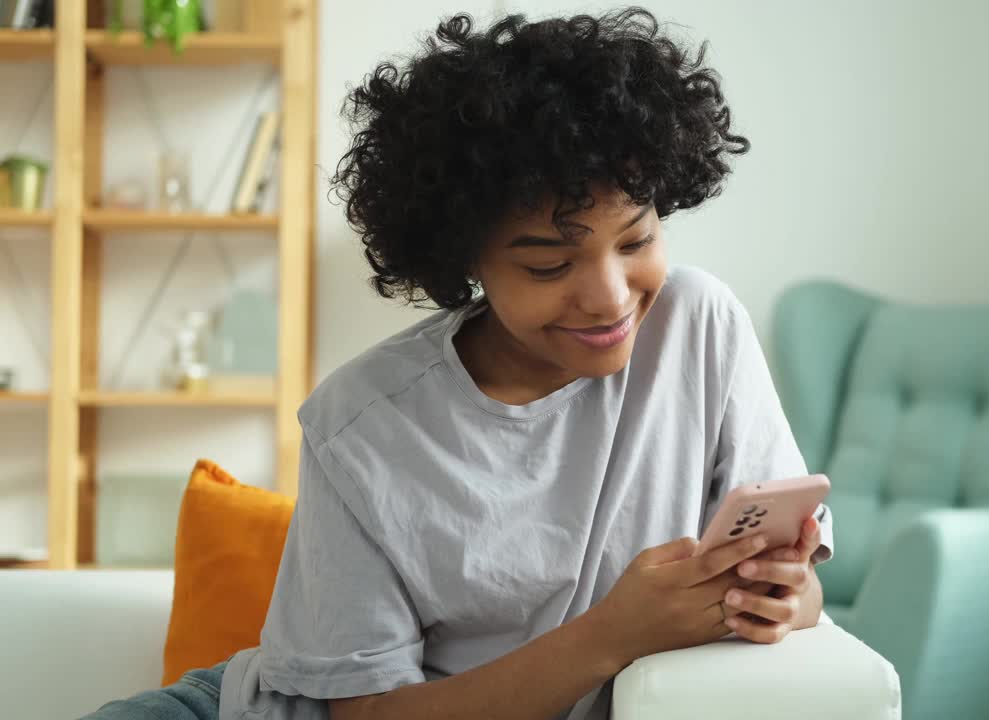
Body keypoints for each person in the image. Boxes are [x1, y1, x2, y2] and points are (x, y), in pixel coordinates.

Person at [84, 7, 833, 720]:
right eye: (548, 264)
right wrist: (612, 634)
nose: (609, 298)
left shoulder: (697, 326)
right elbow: (364, 712)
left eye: (635, 242)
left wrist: (776, 596)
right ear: (465, 258)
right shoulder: (362, 421)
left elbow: (805, 598)